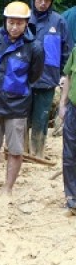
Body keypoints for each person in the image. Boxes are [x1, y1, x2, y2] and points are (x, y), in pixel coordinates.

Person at [0, 2, 44, 198]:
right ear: (5, 21)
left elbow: (34, 75)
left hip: (17, 105)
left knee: (15, 150)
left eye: (19, 23)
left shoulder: (34, 46)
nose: (14, 27)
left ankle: (7, 189)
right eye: (11, 22)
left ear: (26, 23)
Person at [28, 0, 72, 159]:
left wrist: (64, 75)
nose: (43, 2)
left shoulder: (59, 21)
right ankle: (20, 151)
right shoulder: (24, 18)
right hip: (24, 79)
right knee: (21, 118)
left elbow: (67, 51)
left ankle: (37, 151)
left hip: (47, 78)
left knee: (41, 117)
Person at [60, 44, 76, 216]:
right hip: (73, 109)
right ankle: (72, 199)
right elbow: (68, 77)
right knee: (69, 154)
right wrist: (62, 104)